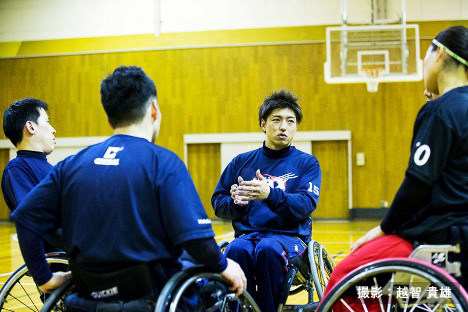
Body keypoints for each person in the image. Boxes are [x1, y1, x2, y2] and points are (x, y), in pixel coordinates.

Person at [11, 66, 246, 310]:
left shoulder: (71, 164)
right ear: (154, 110)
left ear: (109, 117)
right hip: (151, 297)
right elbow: (199, 242)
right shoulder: (164, 162)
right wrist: (224, 265)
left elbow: (26, 218)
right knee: (217, 289)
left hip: (86, 296)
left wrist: (44, 278)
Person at [322, 25, 468, 310]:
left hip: (438, 236)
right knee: (391, 290)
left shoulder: (441, 111)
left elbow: (418, 183)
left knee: (345, 277)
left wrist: (383, 228)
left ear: (437, 52)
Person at [212, 90, 322, 311]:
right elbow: (218, 203)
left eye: (290, 121)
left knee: (268, 249)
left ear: (296, 126)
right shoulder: (241, 162)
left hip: (289, 239)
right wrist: (237, 203)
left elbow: (306, 204)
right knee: (236, 250)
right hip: (249, 235)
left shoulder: (307, 164)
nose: (283, 127)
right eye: (277, 120)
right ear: (263, 124)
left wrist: (270, 195)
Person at [2, 98, 56, 213]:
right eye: (47, 122)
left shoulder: (52, 168)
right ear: (31, 127)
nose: (53, 130)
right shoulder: (17, 168)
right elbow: (33, 214)